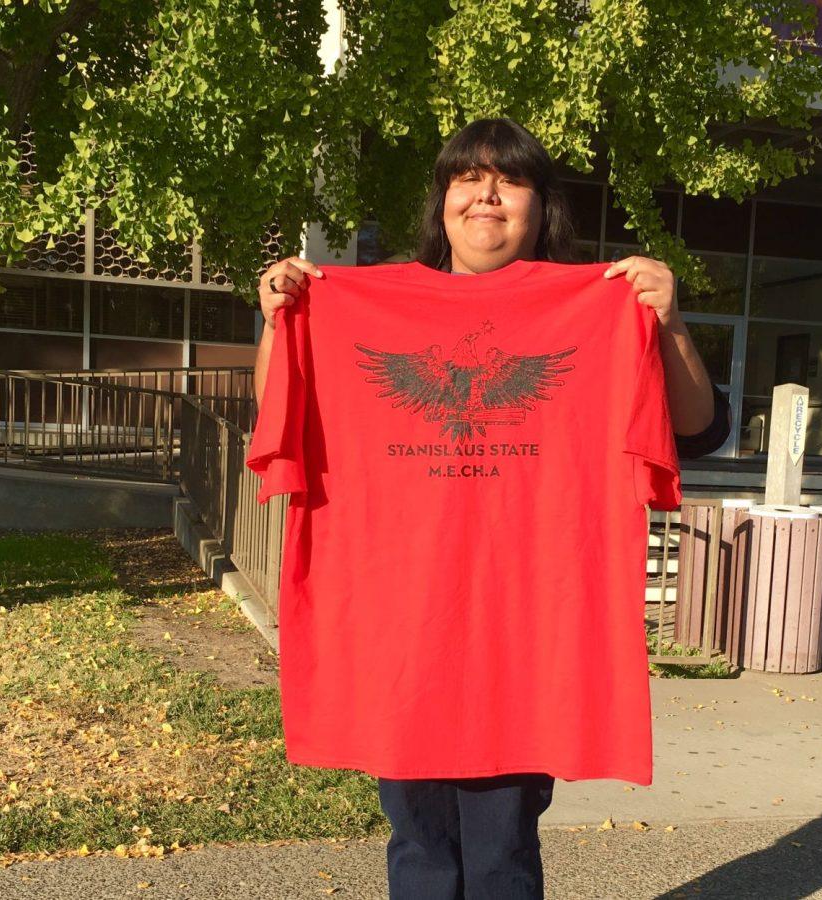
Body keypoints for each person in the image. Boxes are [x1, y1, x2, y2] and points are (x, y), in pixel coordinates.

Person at [254, 118, 730, 899]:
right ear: (442, 201)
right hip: (402, 626)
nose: (486, 195)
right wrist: (282, 322)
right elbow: (279, 415)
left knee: (503, 852)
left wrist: (667, 320)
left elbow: (698, 430)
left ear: (541, 208)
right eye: (467, 179)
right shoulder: (359, 304)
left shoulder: (596, 309)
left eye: (508, 181)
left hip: (524, 633)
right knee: (419, 847)